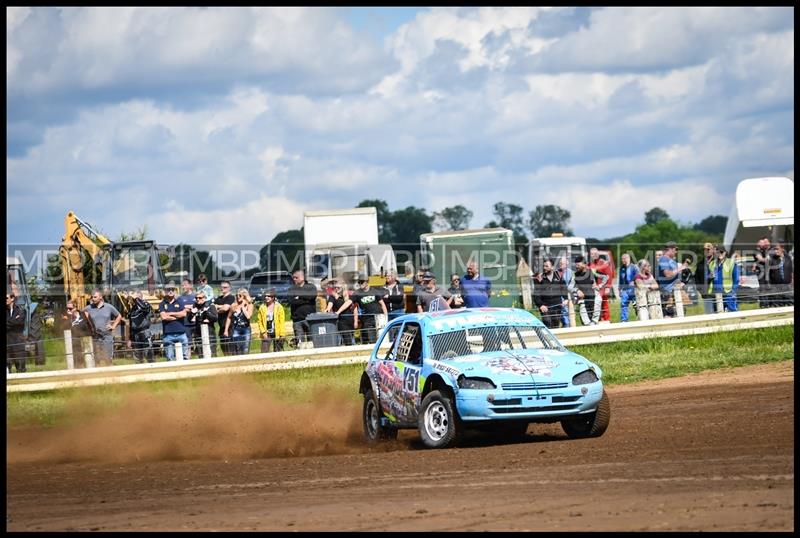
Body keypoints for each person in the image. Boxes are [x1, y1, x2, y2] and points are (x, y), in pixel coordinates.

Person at [82, 289, 122, 366]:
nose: (93, 299)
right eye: (92, 297)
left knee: (108, 359)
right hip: (95, 337)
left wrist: (113, 326)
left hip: (107, 336)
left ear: (100, 297)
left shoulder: (109, 307)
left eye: (95, 297)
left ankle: (111, 375)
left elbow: (119, 316)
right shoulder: (88, 308)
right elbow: (80, 315)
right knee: (96, 359)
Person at [532, 258, 568, 329]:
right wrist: (540, 305)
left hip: (557, 305)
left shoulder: (558, 275)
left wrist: (566, 299)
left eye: (547, 266)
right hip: (545, 306)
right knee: (547, 324)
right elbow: (536, 294)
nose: (544, 268)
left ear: (552, 267)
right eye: (543, 266)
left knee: (555, 325)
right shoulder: (539, 277)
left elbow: (563, 289)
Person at [288, 269, 318, 348]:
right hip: (297, 320)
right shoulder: (291, 289)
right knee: (299, 344)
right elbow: (292, 301)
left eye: (296, 277)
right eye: (293, 278)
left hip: (310, 319)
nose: (294, 279)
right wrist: (306, 300)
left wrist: (299, 296)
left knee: (312, 342)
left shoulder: (311, 287)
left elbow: (312, 296)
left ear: (302, 277)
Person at [353, 276, 388, 345]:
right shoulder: (357, 293)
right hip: (367, 319)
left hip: (379, 317)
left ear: (367, 282)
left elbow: (382, 304)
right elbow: (354, 307)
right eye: (359, 282)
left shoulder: (374, 291)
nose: (360, 284)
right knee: (372, 340)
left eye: (362, 282)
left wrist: (385, 317)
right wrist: (355, 320)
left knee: (382, 338)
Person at [572, 256, 606, 326]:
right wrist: (577, 290)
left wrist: (599, 286)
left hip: (595, 300)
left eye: (578, 265)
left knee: (594, 322)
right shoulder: (575, 275)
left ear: (584, 265)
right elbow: (569, 286)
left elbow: (605, 277)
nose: (576, 267)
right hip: (583, 302)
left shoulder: (592, 271)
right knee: (586, 323)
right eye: (576, 265)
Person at [159, 282, 189, 360]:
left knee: (185, 358)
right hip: (168, 335)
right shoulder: (162, 304)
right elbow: (164, 317)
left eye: (172, 289)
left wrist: (171, 313)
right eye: (168, 289)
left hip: (181, 333)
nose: (170, 291)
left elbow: (184, 314)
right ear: (165, 291)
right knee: (170, 358)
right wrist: (177, 316)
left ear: (175, 291)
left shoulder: (180, 301)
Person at [62, 300, 95, 367]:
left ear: (76, 307)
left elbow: (92, 327)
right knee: (78, 362)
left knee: (89, 360)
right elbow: (66, 329)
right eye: (67, 308)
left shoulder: (85, 314)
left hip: (87, 341)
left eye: (70, 308)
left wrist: (93, 337)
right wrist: (69, 317)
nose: (68, 310)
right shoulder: (67, 317)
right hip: (75, 343)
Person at [708, 245, 739, 312]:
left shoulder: (731, 263)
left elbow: (736, 279)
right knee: (718, 314)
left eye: (721, 252)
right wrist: (709, 276)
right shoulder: (711, 264)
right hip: (716, 293)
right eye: (717, 252)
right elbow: (708, 278)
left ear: (725, 253)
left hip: (728, 293)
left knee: (733, 312)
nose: (720, 254)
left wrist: (733, 292)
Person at [188, 290, 218, 357]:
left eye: (200, 298)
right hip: (198, 334)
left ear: (204, 298)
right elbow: (189, 320)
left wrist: (206, 312)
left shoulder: (210, 306)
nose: (198, 299)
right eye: (196, 298)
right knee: (201, 355)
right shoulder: (195, 306)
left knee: (212, 354)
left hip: (210, 334)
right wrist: (192, 313)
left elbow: (215, 318)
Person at [326, 281, 357, 346]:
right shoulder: (333, 296)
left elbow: (353, 308)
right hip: (341, 321)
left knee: (352, 340)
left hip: (350, 321)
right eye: (335, 287)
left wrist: (356, 321)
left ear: (343, 287)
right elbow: (330, 304)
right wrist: (328, 309)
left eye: (338, 287)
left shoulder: (350, 295)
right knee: (347, 340)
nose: (336, 289)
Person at [127, 290, 154, 363]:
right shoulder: (132, 309)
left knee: (149, 356)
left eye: (132, 297)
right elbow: (131, 325)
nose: (130, 299)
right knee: (137, 358)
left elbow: (144, 307)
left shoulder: (146, 304)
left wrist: (136, 298)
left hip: (145, 333)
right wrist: (130, 339)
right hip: (135, 336)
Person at [225, 288, 254, 356]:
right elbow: (229, 317)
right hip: (236, 329)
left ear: (244, 296)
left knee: (245, 349)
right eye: (236, 295)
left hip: (246, 328)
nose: (238, 297)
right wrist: (226, 330)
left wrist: (243, 308)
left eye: (240, 295)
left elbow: (248, 316)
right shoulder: (233, 305)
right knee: (236, 348)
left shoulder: (249, 305)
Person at [656, 241, 682, 318]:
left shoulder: (672, 261)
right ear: (670, 249)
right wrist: (680, 269)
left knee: (677, 314)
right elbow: (667, 274)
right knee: (669, 315)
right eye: (675, 249)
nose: (676, 252)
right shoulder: (663, 259)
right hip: (667, 293)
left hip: (674, 292)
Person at [257, 288, 286, 352]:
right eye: (265, 296)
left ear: (273, 297)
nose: (266, 297)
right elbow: (259, 321)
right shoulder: (262, 307)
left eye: (268, 296)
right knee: (264, 352)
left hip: (277, 332)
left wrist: (282, 334)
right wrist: (263, 332)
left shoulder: (279, 307)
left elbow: (282, 322)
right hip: (266, 333)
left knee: (278, 352)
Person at [589, 248, 613, 322]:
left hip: (602, 288)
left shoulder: (603, 263)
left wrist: (608, 287)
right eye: (592, 254)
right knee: (595, 305)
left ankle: (606, 320)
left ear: (598, 254)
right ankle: (597, 320)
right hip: (593, 289)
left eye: (596, 253)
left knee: (604, 304)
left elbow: (609, 274)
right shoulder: (589, 264)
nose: (594, 255)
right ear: (590, 255)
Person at [214, 280, 236, 355]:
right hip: (221, 326)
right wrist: (221, 307)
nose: (223, 289)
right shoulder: (218, 298)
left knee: (230, 347)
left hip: (230, 326)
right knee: (223, 347)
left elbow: (225, 308)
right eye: (222, 287)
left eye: (225, 287)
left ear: (229, 288)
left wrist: (218, 307)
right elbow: (213, 308)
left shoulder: (231, 297)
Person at [7, 292, 27, 373]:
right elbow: (16, 322)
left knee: (20, 366)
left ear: (12, 299)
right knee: (7, 366)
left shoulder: (20, 310)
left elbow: (20, 322)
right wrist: (14, 320)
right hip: (7, 341)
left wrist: (8, 322)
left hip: (18, 341)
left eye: (6, 298)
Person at [769, 242, 793, 307]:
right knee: (778, 303)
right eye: (774, 249)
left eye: (777, 249)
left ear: (782, 249)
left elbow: (791, 270)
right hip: (776, 285)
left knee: (789, 302)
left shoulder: (788, 258)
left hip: (787, 284)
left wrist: (792, 280)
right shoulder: (772, 259)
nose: (775, 251)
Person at [695, 242, 716, 314]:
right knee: (709, 313)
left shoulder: (718, 262)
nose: (706, 251)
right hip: (707, 294)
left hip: (719, 292)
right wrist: (700, 290)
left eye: (708, 249)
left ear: (713, 250)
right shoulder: (700, 264)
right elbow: (697, 279)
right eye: (705, 249)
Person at [617, 252, 638, 322]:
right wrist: (619, 289)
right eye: (622, 259)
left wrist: (634, 282)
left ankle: (639, 317)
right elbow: (620, 279)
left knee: (636, 305)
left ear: (628, 258)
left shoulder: (634, 267)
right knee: (623, 304)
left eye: (624, 258)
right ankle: (624, 320)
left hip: (633, 289)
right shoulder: (621, 268)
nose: (623, 260)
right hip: (625, 289)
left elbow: (638, 276)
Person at [179, 278, 196, 358]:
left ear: (190, 285)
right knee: (187, 343)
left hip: (196, 323)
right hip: (185, 323)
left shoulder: (196, 296)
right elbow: (181, 308)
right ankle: (187, 359)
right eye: (182, 285)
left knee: (199, 342)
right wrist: (190, 307)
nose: (183, 287)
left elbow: (198, 307)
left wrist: (188, 307)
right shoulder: (180, 298)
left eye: (185, 285)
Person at [557, 256, 575, 327]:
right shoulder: (556, 273)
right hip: (559, 296)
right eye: (560, 263)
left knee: (569, 314)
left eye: (562, 263)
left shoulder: (571, 273)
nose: (561, 265)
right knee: (562, 313)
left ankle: (567, 326)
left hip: (568, 296)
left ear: (567, 264)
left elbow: (573, 284)